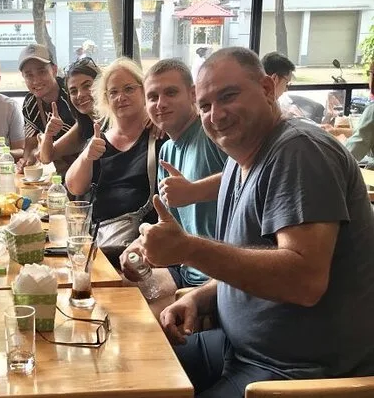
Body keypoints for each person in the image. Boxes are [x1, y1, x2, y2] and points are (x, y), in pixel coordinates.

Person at [135, 47, 374, 397]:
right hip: (237, 348)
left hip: (295, 373)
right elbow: (252, 261)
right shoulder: (240, 158)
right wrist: (201, 297)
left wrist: (188, 249)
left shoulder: (300, 150)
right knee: (131, 369)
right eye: (205, 105)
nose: (216, 115)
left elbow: (304, 280)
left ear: (266, 89)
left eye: (228, 96)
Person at [120, 59, 227, 315]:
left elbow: (248, 176)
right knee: (118, 294)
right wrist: (139, 245)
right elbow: (169, 223)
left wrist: (194, 190)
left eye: (170, 93)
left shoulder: (212, 131)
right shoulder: (166, 150)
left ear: (192, 94)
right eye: (153, 97)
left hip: (221, 278)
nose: (161, 103)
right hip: (185, 270)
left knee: (140, 323)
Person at [65, 57, 164, 266]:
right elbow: (74, 186)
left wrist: (158, 118)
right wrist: (87, 155)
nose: (121, 97)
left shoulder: (159, 135)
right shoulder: (100, 139)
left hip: (138, 246)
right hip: (98, 239)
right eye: (113, 92)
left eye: (129, 89)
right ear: (106, 99)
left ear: (144, 91)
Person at [18, 44, 76, 173]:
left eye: (42, 72)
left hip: (86, 170)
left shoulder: (72, 95)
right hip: (60, 172)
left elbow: (83, 136)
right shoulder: (30, 103)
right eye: (29, 75)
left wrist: (46, 147)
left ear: (54, 70)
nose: (36, 81)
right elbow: (31, 145)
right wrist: (26, 161)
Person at [38, 57, 101, 165]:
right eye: (73, 91)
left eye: (87, 86)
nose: (80, 95)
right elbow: (46, 157)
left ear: (101, 86)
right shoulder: (84, 124)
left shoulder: (117, 123)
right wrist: (48, 134)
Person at [344, 61, 374, 167]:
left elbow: (353, 152)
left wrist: (338, 145)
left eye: (369, 73)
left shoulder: (372, 111)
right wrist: (336, 130)